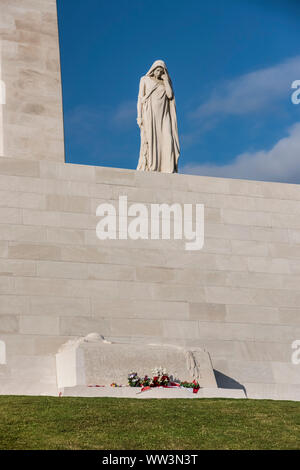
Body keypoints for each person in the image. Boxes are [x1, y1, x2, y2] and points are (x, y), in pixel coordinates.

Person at [136, 60, 180, 173]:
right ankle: (152, 167)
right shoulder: (145, 80)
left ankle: (167, 168)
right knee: (151, 140)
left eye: (161, 71)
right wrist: (139, 116)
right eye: (157, 70)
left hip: (164, 115)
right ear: (153, 69)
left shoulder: (165, 83)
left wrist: (166, 81)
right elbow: (140, 99)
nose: (159, 73)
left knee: (168, 138)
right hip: (150, 114)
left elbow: (170, 95)